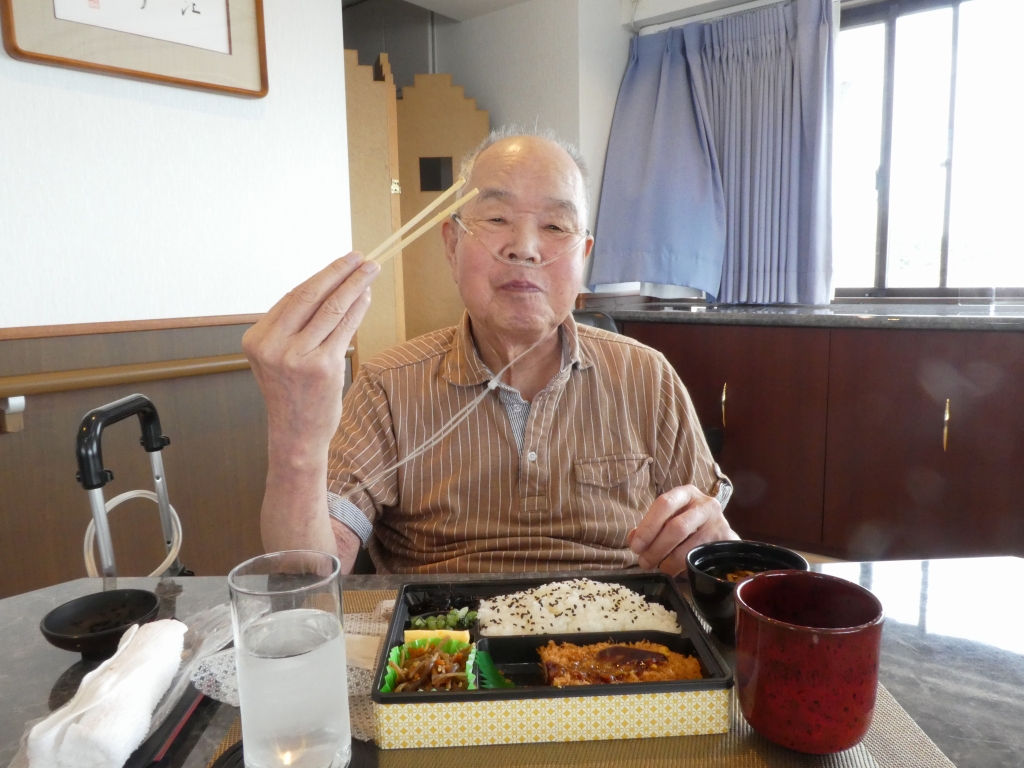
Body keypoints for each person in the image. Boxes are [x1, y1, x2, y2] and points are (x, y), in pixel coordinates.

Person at [242, 128, 737, 576]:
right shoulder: (388, 385)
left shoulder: (646, 374)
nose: (524, 247)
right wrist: (296, 438)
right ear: (452, 245)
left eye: (555, 227)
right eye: (497, 218)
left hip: (623, 635)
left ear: (583, 256)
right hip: (441, 637)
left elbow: (709, 540)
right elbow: (311, 573)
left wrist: (714, 542)